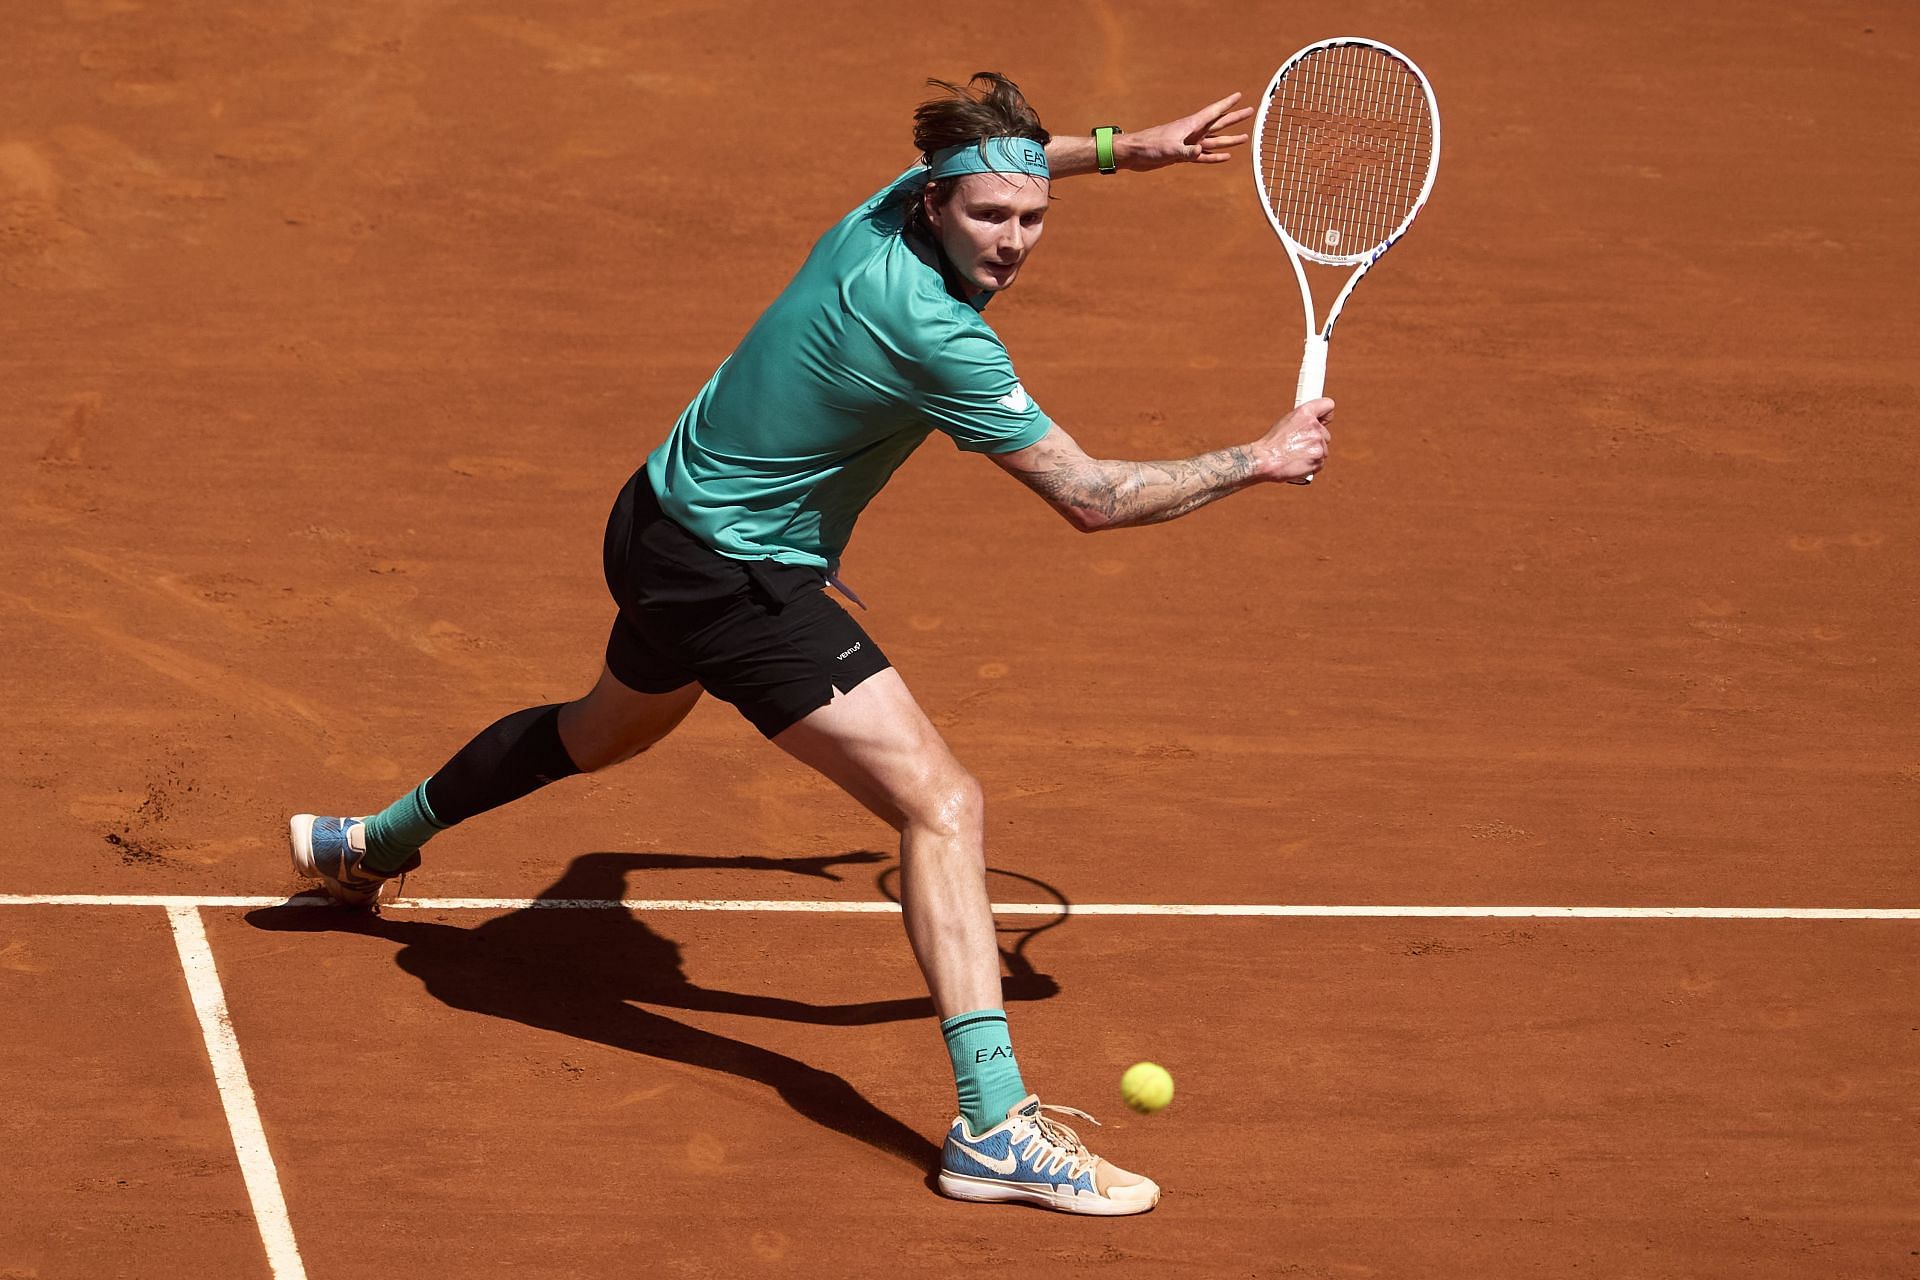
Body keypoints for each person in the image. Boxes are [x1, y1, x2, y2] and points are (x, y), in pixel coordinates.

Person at [289, 72, 1333, 1216]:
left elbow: (1011, 160)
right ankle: (994, 1125)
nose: (1016, 240)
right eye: (991, 216)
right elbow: (1090, 496)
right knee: (941, 803)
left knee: (599, 732)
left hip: (653, 516)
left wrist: (1124, 149)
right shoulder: (936, 333)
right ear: (936, 204)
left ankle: (368, 840)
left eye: (1033, 215)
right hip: (734, 578)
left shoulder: (882, 209)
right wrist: (1259, 457)